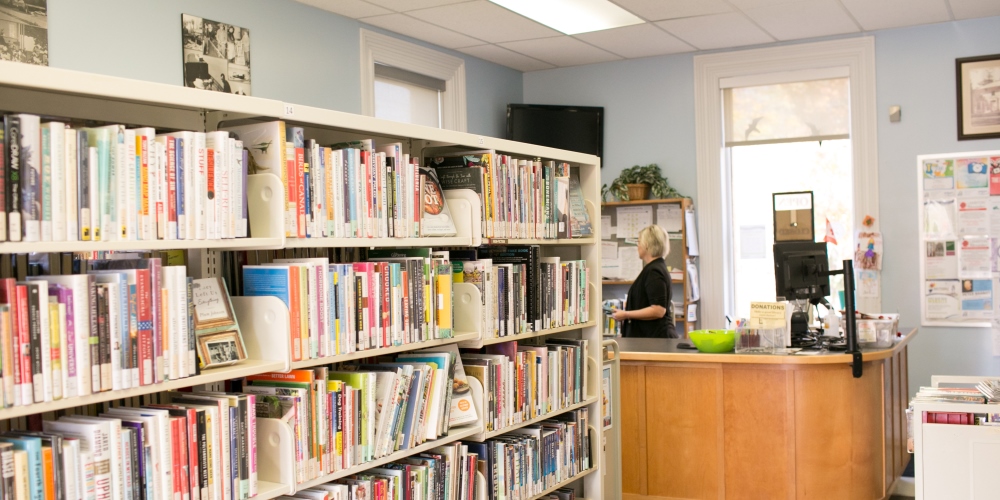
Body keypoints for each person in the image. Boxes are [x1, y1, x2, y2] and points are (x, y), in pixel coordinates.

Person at [612, 225, 677, 338]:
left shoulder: (654, 271)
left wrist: (626, 314)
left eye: (638, 242)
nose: (637, 246)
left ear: (646, 244)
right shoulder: (655, 268)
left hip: (655, 339)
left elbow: (658, 310)